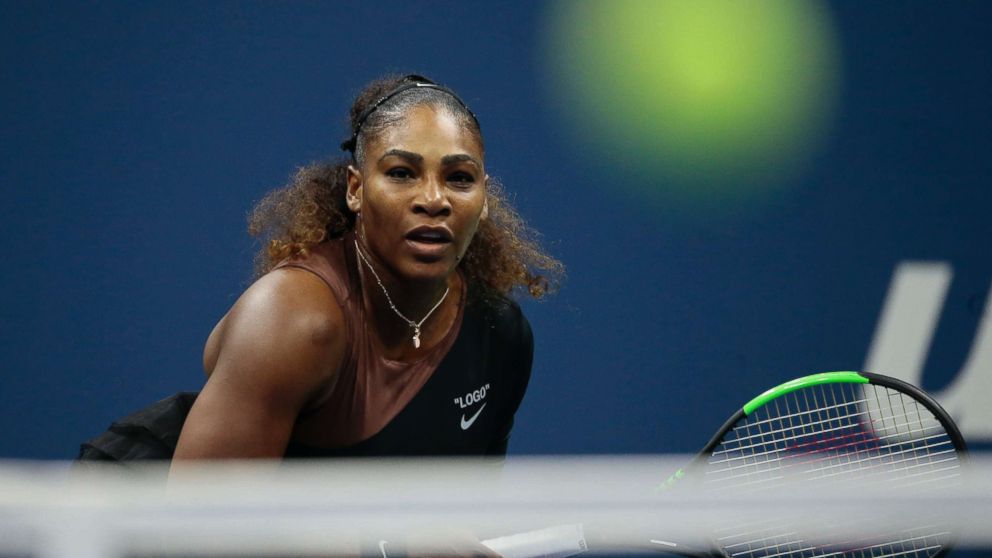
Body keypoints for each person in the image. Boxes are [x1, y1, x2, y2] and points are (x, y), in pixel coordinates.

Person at [167, 74, 563, 462]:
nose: (433, 199)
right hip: (129, 515)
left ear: (484, 199)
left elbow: (467, 517)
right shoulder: (291, 319)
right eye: (401, 173)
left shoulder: (498, 336)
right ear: (355, 189)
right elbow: (196, 522)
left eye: (459, 178)